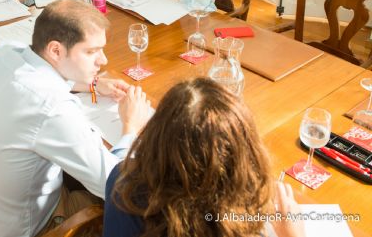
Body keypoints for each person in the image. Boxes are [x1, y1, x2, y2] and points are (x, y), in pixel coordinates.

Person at [0, 0, 151, 237]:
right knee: (139, 204)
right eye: (91, 51)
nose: (103, 60)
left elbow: (41, 77)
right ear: (55, 50)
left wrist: (93, 84)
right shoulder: (51, 107)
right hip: (27, 228)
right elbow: (115, 185)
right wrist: (131, 127)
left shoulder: (3, 51)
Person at [103, 77, 305, 237]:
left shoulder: (122, 181)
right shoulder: (239, 220)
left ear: (157, 133)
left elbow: (122, 164)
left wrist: (129, 129)